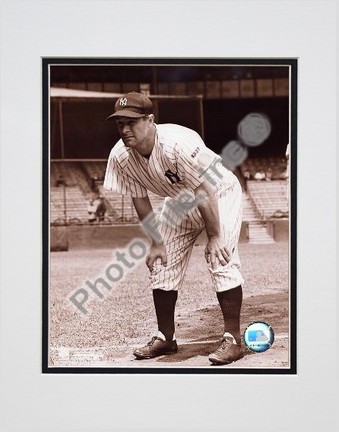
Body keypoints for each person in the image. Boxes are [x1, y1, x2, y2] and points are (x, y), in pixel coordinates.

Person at [104, 92, 244, 365]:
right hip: (180, 202)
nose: (125, 129)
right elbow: (139, 198)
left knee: (221, 258)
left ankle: (233, 340)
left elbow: (205, 189)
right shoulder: (120, 155)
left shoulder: (176, 143)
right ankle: (165, 338)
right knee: (162, 264)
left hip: (219, 192)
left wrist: (214, 236)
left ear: (150, 120)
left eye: (132, 122)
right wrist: (156, 242)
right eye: (120, 123)